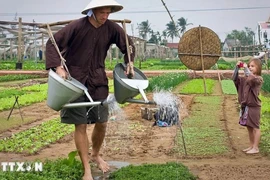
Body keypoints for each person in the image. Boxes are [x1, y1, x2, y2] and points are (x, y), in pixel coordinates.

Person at [45, 0, 135, 179]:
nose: (105, 16)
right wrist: (58, 67)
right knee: (81, 124)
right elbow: (52, 43)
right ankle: (86, 168)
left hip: (98, 80)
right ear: (92, 12)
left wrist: (129, 62)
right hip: (75, 80)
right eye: (102, 13)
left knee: (102, 122)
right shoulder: (76, 26)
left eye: (108, 13)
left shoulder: (111, 28)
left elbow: (128, 45)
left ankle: (95, 155)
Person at [232, 58, 264, 154]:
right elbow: (234, 79)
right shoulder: (245, 78)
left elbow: (252, 79)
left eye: (252, 66)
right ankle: (251, 146)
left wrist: (246, 69)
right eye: (249, 66)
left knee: (255, 127)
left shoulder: (258, 79)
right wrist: (237, 68)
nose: (250, 68)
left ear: (258, 68)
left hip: (254, 107)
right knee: (249, 127)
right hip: (246, 107)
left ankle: (256, 147)